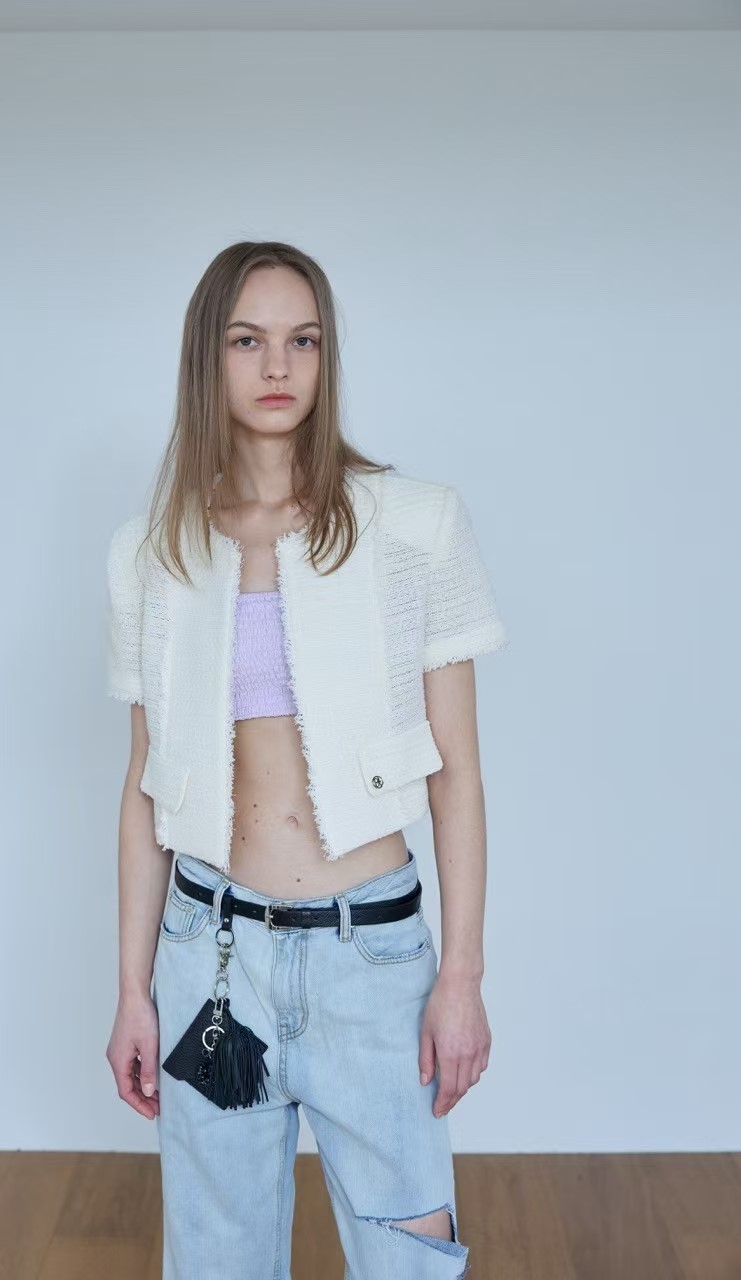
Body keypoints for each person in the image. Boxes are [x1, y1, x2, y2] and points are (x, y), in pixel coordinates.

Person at [104, 240, 508, 1279]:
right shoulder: (153, 551)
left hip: (369, 963)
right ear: (208, 356)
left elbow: (457, 774)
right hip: (212, 960)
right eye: (248, 340)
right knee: (219, 1256)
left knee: (408, 1253)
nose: (278, 366)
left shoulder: (412, 526)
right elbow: (145, 788)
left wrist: (461, 974)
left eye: (303, 340)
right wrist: (134, 988)